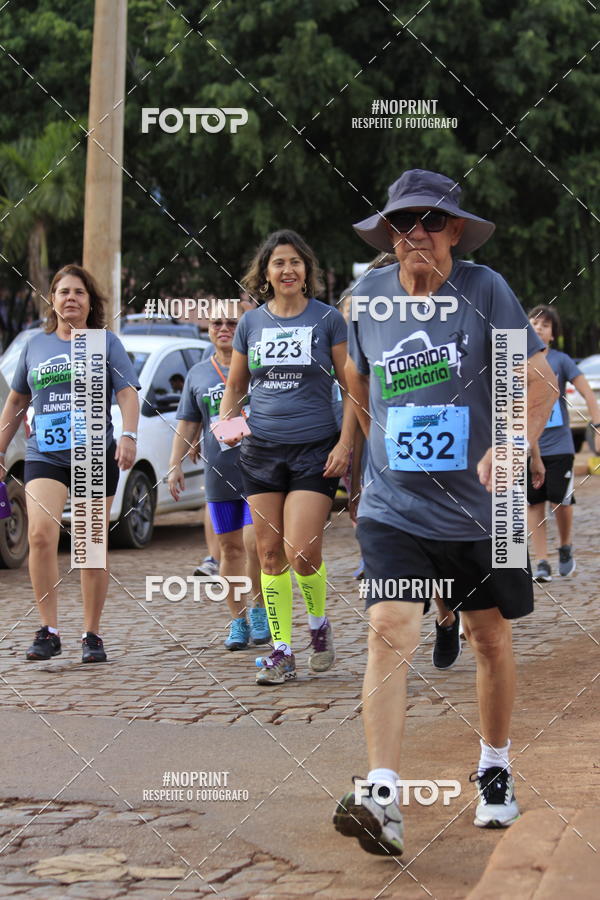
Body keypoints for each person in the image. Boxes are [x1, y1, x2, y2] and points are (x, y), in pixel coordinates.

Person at [333, 169, 556, 855]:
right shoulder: (365, 299)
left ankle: (495, 768)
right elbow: (359, 383)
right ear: (390, 237)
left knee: (489, 639)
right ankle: (382, 793)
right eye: (404, 224)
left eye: (432, 221)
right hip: (395, 508)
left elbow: (536, 380)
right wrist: (363, 455)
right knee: (389, 628)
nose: (417, 235)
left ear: (456, 230)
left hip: (486, 510)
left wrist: (514, 443)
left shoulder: (485, 291)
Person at [219, 229, 355, 684]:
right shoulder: (251, 323)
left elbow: (352, 386)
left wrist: (344, 443)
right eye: (278, 263)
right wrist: (230, 426)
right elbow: (236, 386)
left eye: (295, 262)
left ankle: (318, 626)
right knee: (269, 552)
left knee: (301, 551)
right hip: (261, 452)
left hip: (315, 450)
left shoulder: (327, 320)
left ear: (306, 270)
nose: (287, 270)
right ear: (266, 273)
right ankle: (281, 651)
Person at [0, 264, 140, 663]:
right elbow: (15, 402)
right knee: (41, 536)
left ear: (90, 301)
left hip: (94, 454)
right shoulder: (35, 346)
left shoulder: (104, 343)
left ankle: (91, 634)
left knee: (90, 545)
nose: (71, 298)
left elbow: (128, 393)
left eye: (79, 292)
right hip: (45, 454)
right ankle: (49, 629)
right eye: (63, 292)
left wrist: (128, 435)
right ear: (53, 300)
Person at [168, 310, 270, 649]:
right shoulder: (198, 372)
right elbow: (187, 423)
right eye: (217, 324)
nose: (224, 329)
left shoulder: (260, 366)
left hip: (259, 472)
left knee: (255, 544)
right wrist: (175, 464)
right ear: (208, 330)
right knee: (229, 548)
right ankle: (238, 620)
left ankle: (259, 611)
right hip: (219, 474)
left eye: (231, 324)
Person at [527, 304, 600, 581]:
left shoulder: (560, 361)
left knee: (560, 501)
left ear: (553, 334)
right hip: (528, 446)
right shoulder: (515, 360)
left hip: (559, 446)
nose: (538, 328)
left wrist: (597, 422)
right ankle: (542, 561)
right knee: (534, 503)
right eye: (534, 323)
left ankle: (565, 545)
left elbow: (588, 394)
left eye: (545, 325)